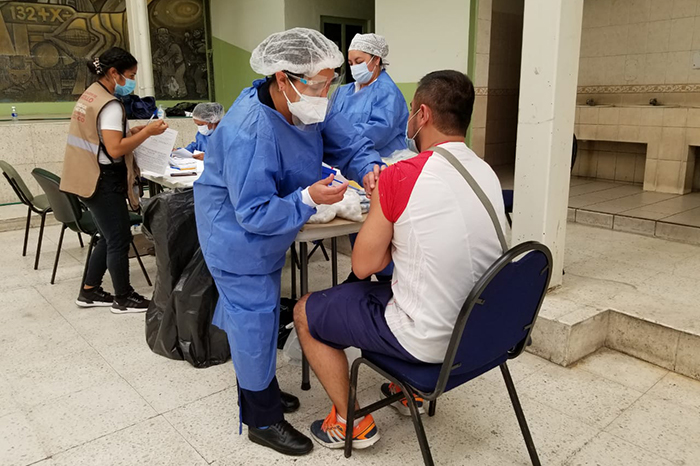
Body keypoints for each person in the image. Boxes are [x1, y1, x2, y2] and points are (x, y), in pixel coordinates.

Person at [193, 28, 384, 457]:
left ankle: (261, 387)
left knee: (257, 316)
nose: (324, 94)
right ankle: (262, 419)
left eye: (330, 82)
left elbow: (346, 140)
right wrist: (307, 199)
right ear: (283, 78)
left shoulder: (306, 101)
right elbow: (254, 212)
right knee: (253, 320)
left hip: (269, 225)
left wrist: (369, 167)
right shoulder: (248, 130)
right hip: (236, 234)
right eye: (318, 85)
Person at [293, 70, 507, 450]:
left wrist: (383, 208)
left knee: (306, 311)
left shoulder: (401, 177)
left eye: (411, 110)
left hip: (430, 339)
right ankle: (409, 392)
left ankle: (350, 421)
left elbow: (362, 267)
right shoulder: (485, 171)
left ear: (422, 115)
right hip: (485, 333)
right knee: (394, 285)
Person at [61, 47, 168, 313]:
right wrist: (148, 133)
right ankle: (123, 298)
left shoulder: (91, 95)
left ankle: (89, 291)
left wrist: (133, 131)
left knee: (108, 236)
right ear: (113, 73)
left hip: (84, 174)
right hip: (101, 179)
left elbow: (101, 136)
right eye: (130, 75)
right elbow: (115, 149)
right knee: (119, 238)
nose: (132, 81)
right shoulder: (109, 104)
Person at [331, 33, 409, 283]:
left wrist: (342, 141)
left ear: (376, 60)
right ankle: (360, 272)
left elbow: (379, 131)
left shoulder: (387, 92)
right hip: (351, 163)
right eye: (350, 62)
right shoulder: (343, 92)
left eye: (359, 61)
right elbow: (330, 124)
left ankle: (387, 277)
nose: (354, 67)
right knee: (357, 218)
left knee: (380, 224)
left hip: (384, 163)